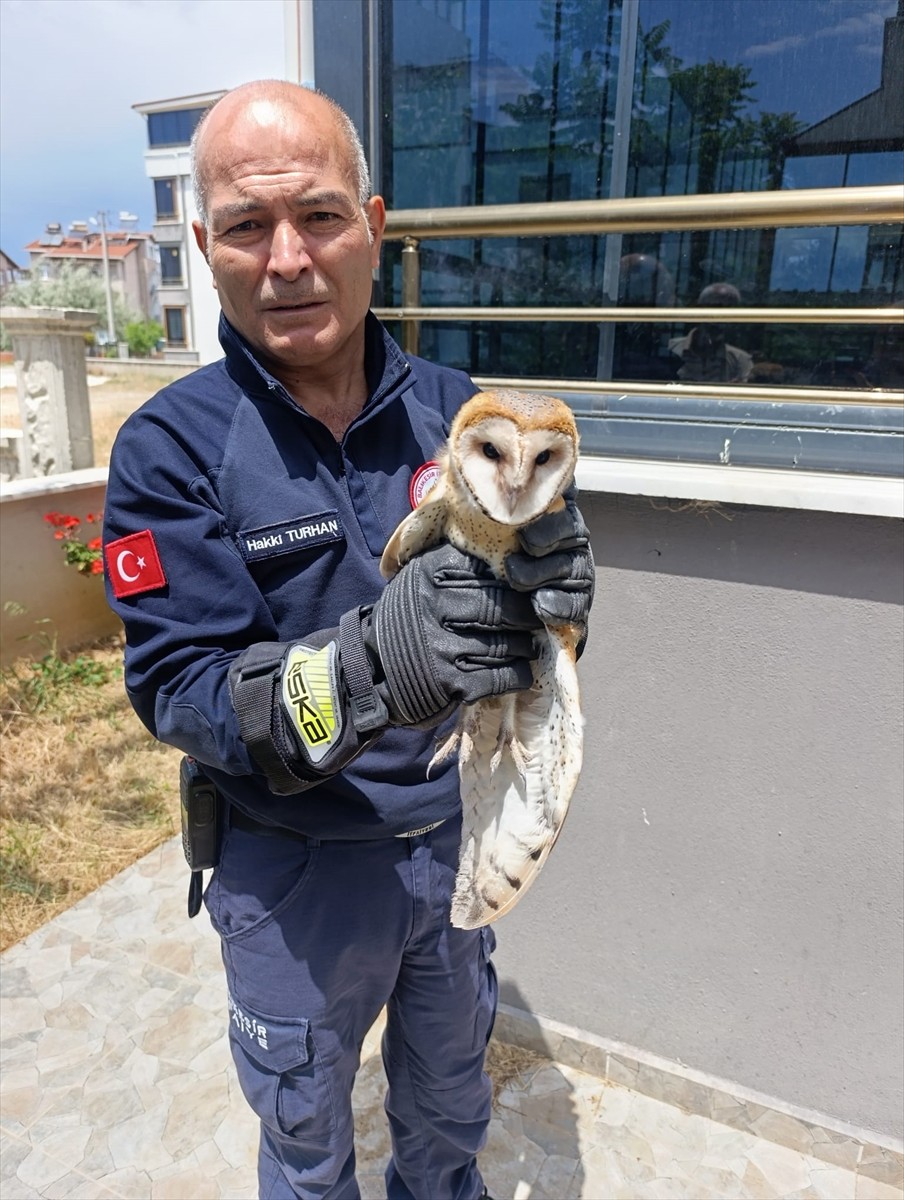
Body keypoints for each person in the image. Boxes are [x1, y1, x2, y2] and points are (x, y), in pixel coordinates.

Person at [102, 81, 593, 1200]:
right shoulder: (170, 448)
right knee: (309, 1148)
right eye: (245, 225)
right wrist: (368, 671)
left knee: (446, 1113)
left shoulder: (463, 414)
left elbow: (518, 647)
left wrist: (561, 611)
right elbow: (181, 690)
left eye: (318, 216)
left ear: (373, 226)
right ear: (203, 245)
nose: (286, 258)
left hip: (448, 841)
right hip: (294, 867)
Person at [668, 282, 753, 383]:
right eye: (715, 307)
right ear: (699, 310)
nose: (719, 317)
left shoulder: (740, 361)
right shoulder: (671, 349)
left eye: (728, 310)